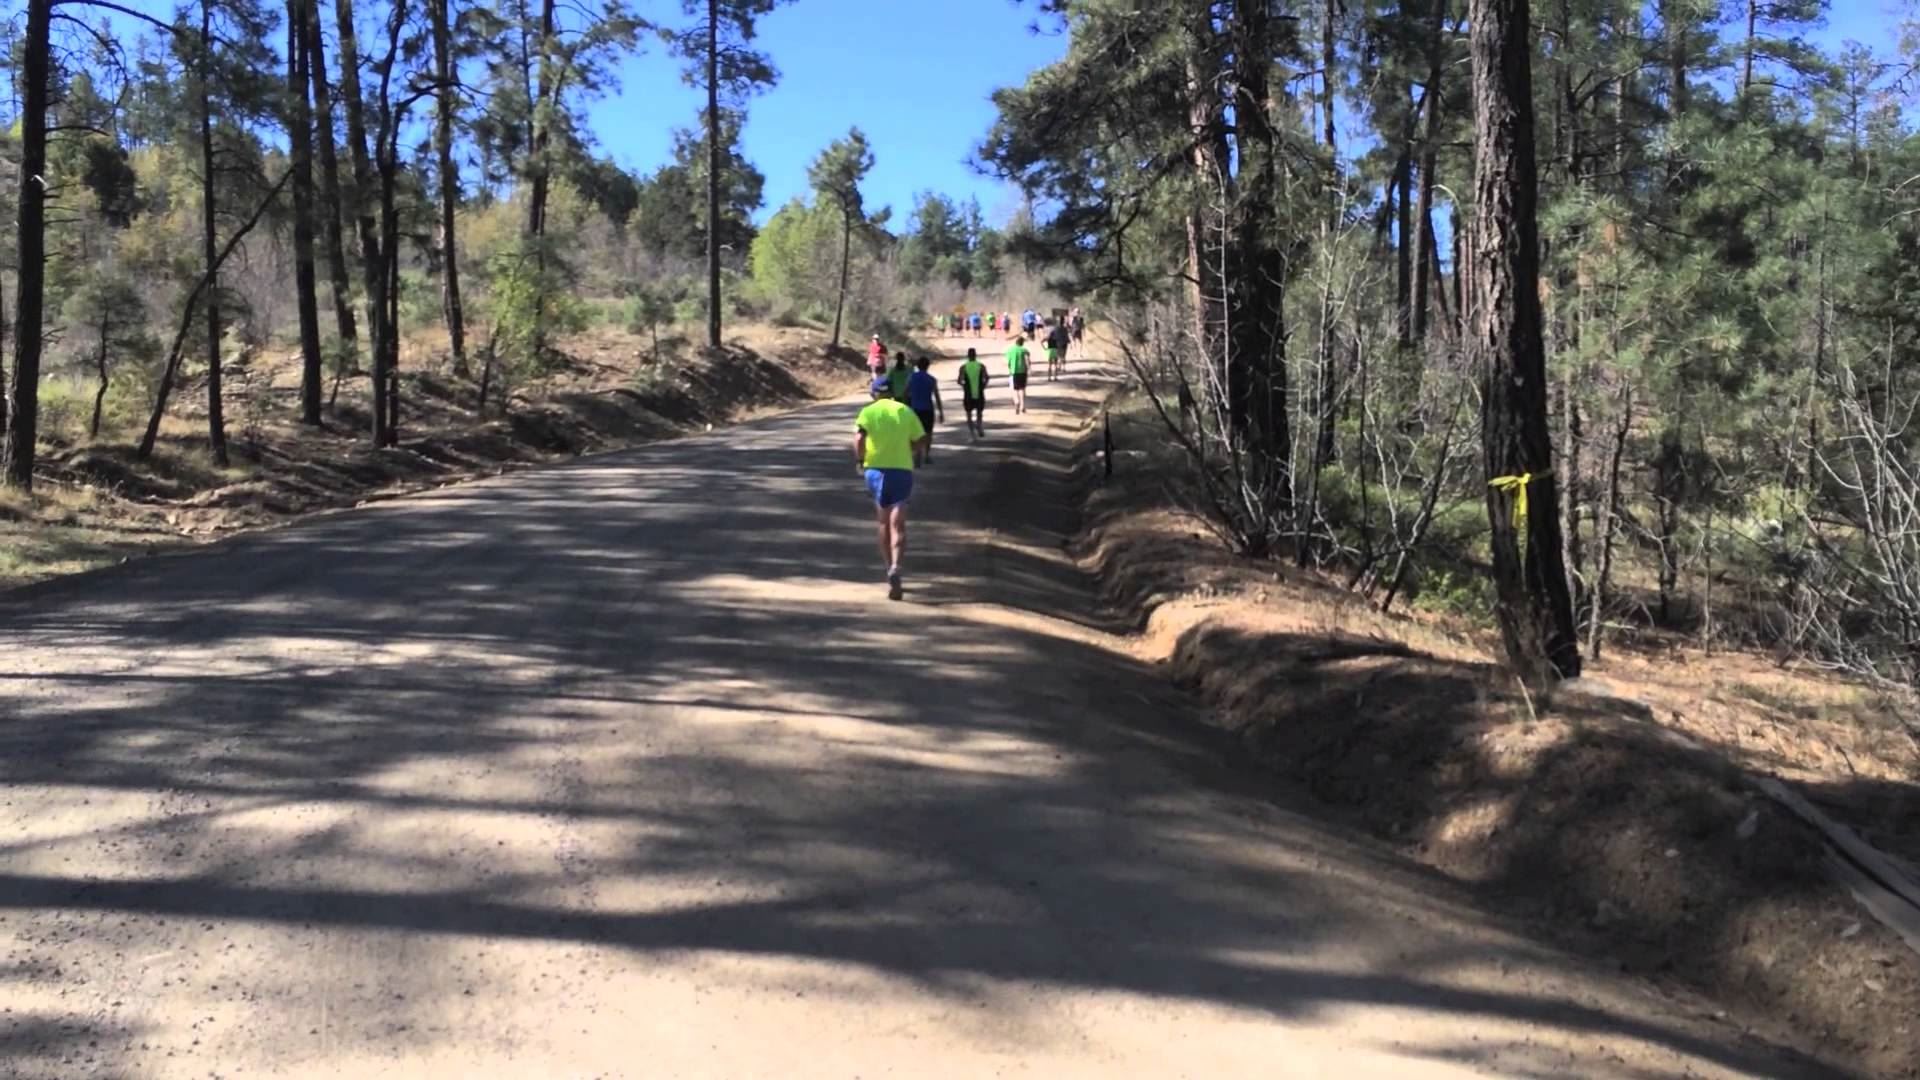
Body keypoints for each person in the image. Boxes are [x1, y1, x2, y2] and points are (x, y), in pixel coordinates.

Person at [856, 377, 929, 600]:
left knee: (882, 521)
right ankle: (897, 566)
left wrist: (860, 460)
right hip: (901, 470)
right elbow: (921, 439)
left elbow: (858, 439)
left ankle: (888, 566)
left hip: (875, 470)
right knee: (898, 523)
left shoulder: (868, 412)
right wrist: (912, 451)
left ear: (874, 393)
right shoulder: (905, 411)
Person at [907, 356, 944, 464]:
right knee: (928, 433)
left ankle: (917, 454)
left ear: (918, 366)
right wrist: (941, 412)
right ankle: (926, 455)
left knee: (915, 433)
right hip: (928, 409)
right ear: (928, 366)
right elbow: (937, 396)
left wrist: (907, 404)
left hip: (915, 409)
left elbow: (905, 392)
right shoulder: (931, 379)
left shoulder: (911, 378)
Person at [956, 347, 989, 438]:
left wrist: (964, 386)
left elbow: (959, 380)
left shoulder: (963, 367)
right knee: (979, 413)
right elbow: (986, 378)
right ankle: (979, 426)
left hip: (968, 394)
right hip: (979, 392)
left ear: (968, 356)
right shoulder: (981, 366)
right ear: (975, 355)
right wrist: (983, 386)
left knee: (969, 414)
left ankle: (972, 434)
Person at [1005, 336, 1031, 415]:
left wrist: (1009, 368)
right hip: (1023, 372)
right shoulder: (1024, 350)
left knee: (1014, 389)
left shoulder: (1010, 350)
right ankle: (1022, 406)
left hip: (1013, 372)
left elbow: (1008, 362)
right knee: (1022, 389)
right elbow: (1028, 360)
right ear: (1022, 343)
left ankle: (1016, 401)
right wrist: (1029, 368)